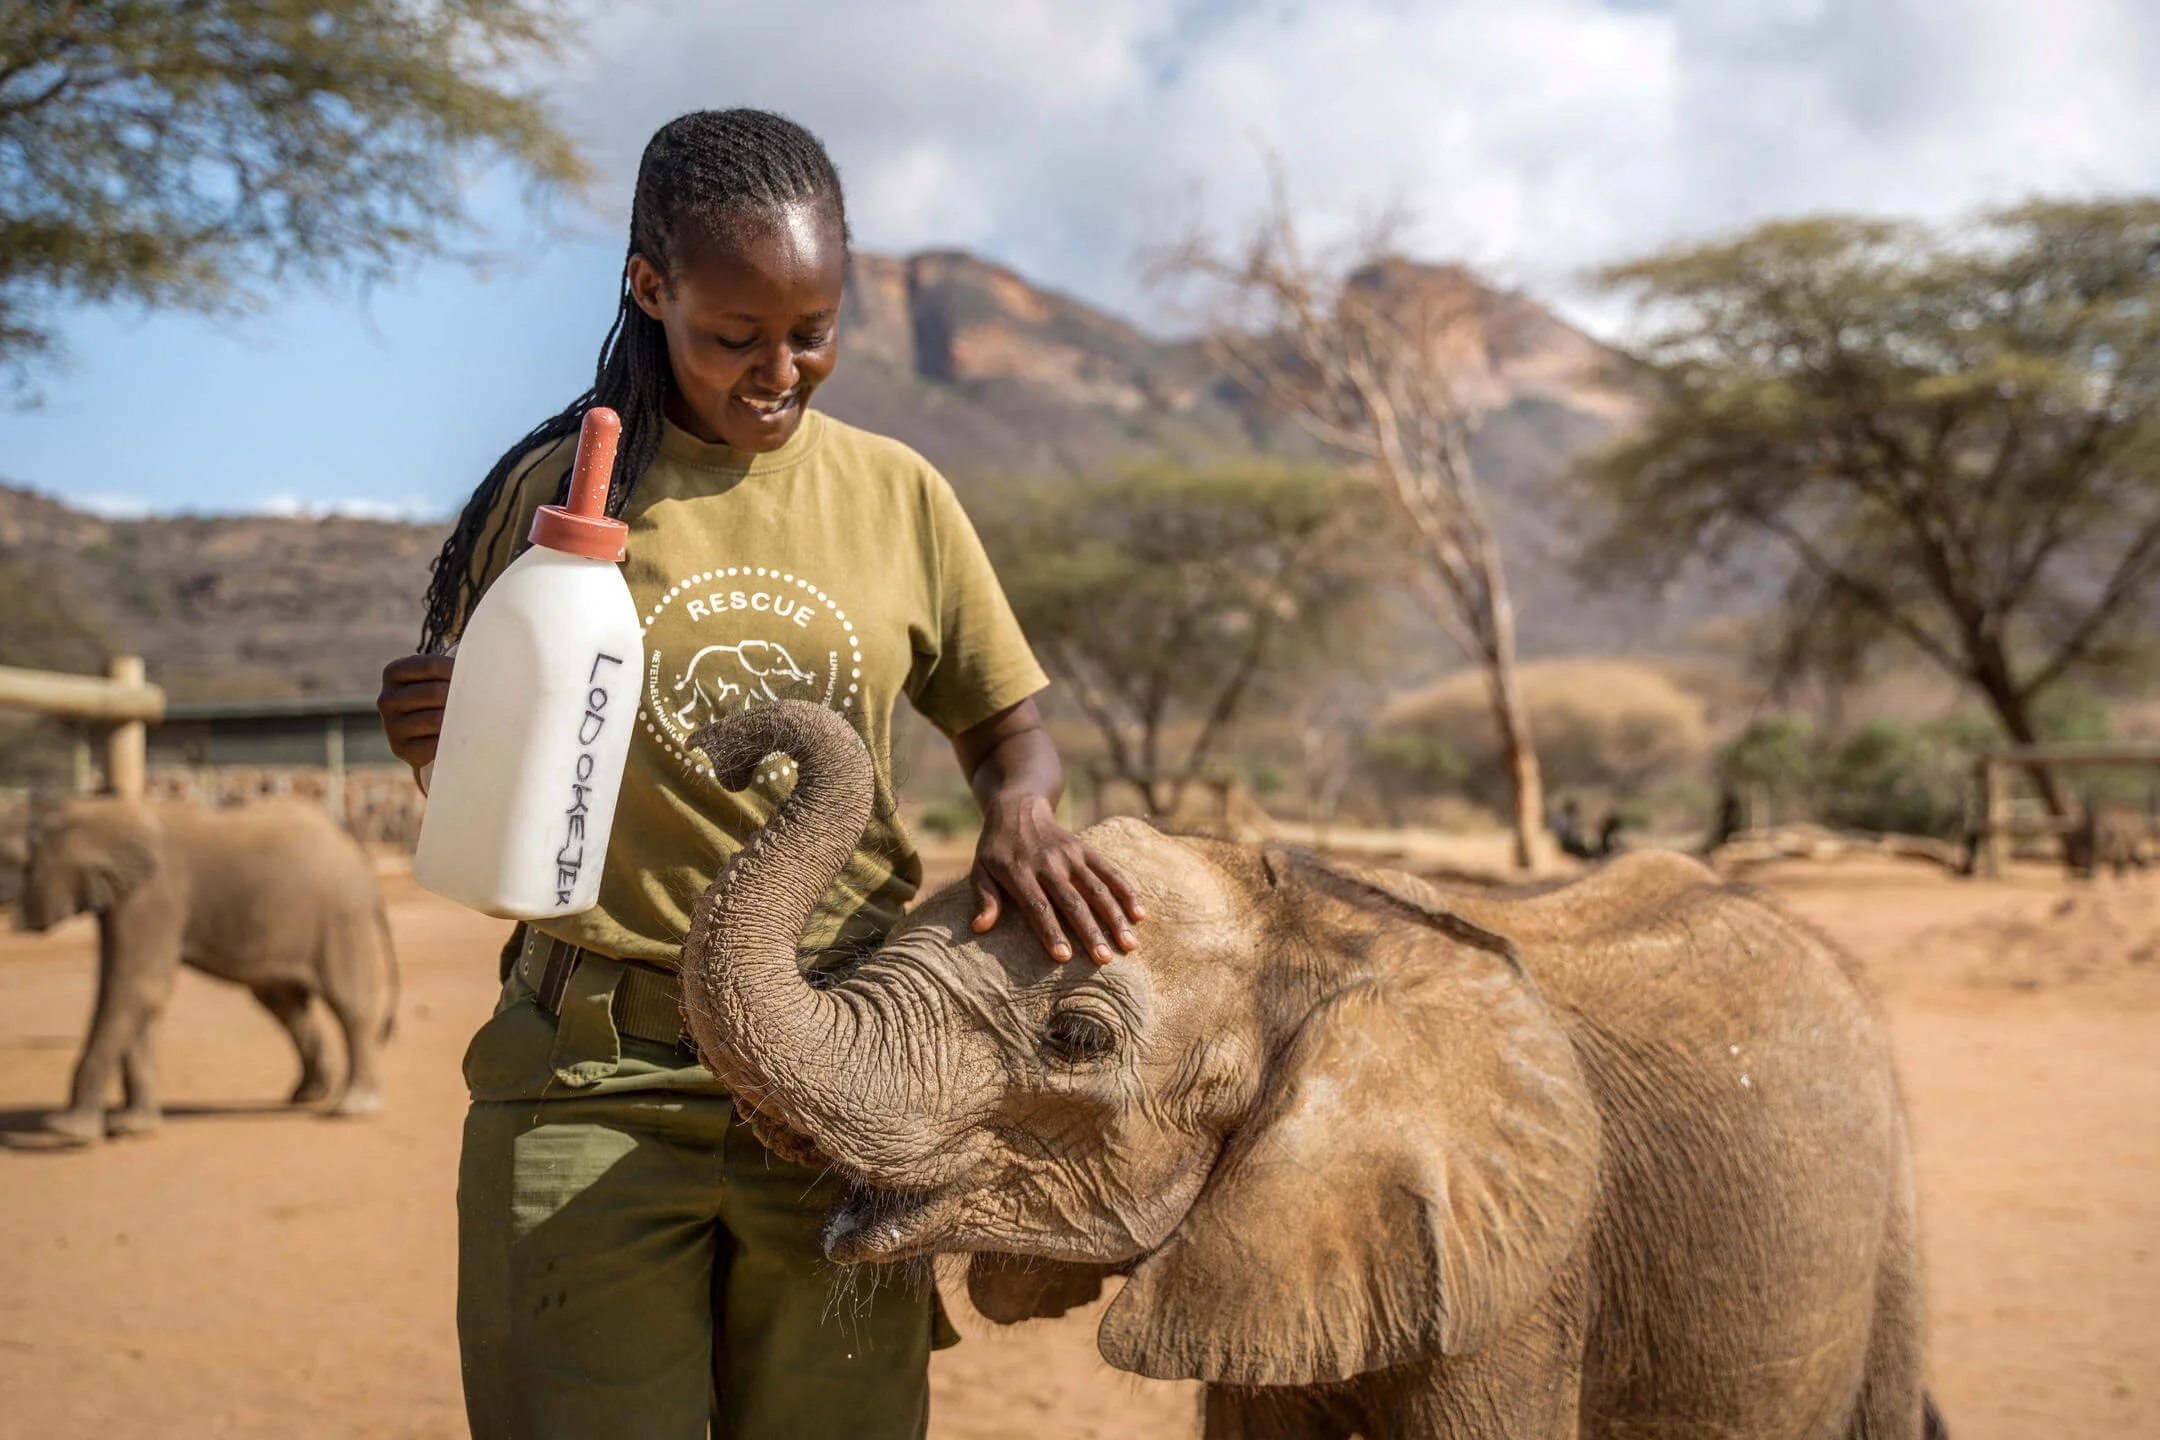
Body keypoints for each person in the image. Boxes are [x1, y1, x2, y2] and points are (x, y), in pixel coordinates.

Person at [376, 109, 1143, 1440]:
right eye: (738, 335)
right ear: (652, 287)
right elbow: (498, 776)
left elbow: (1009, 725)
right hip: (595, 1076)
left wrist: (1024, 807)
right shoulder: (563, 492)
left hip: (844, 1073)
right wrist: (441, 740)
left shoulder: (900, 493)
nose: (781, 370)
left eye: (814, 331)